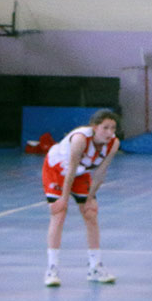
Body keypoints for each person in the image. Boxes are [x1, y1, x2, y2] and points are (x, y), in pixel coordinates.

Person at [42, 110, 121, 287]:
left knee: (91, 212)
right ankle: (52, 268)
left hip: (80, 172)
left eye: (113, 128)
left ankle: (95, 267)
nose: (110, 132)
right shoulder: (80, 139)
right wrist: (63, 199)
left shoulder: (113, 143)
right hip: (57, 170)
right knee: (59, 213)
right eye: (105, 128)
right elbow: (70, 169)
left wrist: (90, 198)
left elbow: (101, 173)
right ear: (94, 127)